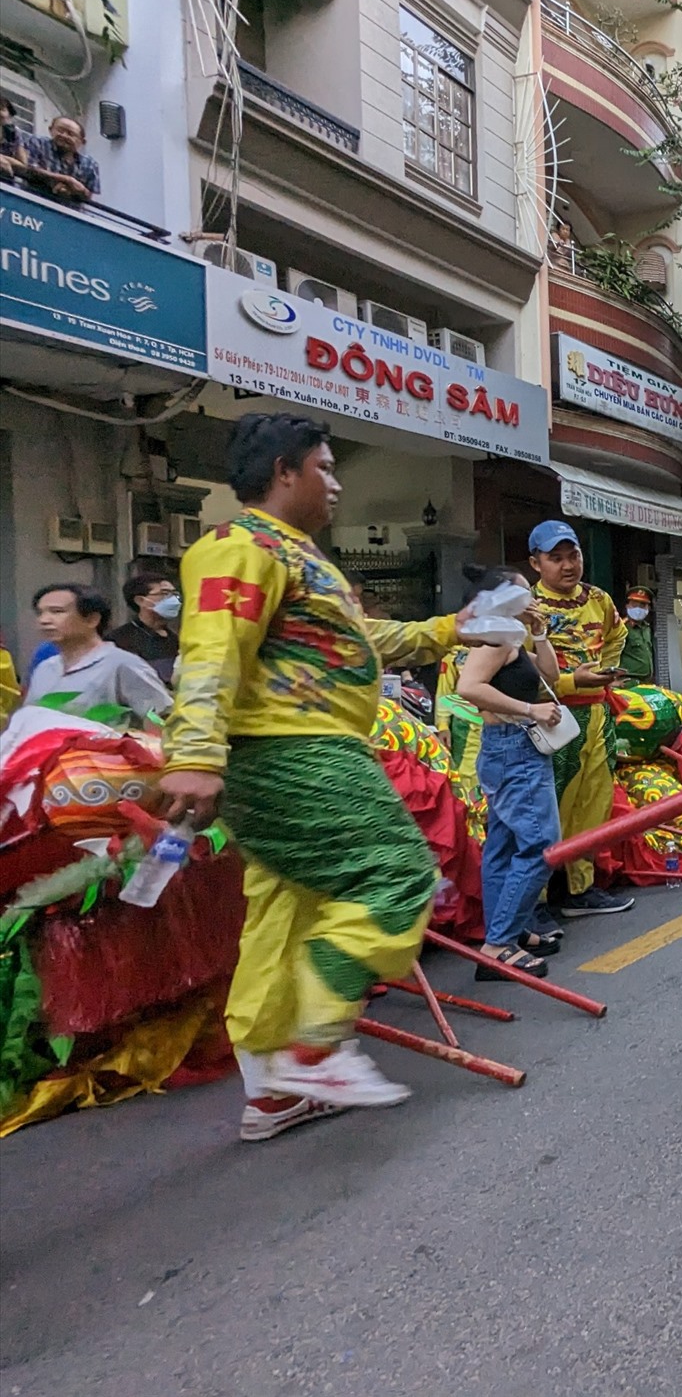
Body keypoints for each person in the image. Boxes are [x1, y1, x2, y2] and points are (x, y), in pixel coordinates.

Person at [156, 413, 481, 1138]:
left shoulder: (302, 559)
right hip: (296, 749)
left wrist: (457, 628)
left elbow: (368, 642)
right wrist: (195, 755)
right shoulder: (238, 547)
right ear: (284, 471)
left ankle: (271, 1090)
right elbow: (212, 652)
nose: (336, 484)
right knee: (398, 876)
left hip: (288, 751)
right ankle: (315, 1047)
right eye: (327, 469)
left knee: (285, 917)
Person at [453, 565, 564, 980]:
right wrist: (530, 709)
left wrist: (539, 632)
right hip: (513, 748)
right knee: (540, 845)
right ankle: (499, 943)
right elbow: (468, 686)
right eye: (523, 593)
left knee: (502, 846)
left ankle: (506, 933)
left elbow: (550, 674)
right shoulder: (495, 638)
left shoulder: (510, 637)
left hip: (511, 749)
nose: (531, 598)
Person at [529, 521, 632, 916]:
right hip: (552, 717)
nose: (568, 565)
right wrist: (574, 679)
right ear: (536, 563)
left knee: (593, 802)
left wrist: (606, 669)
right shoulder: (527, 607)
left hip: (597, 714)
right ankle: (535, 898)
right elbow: (518, 672)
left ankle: (580, 888)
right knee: (549, 806)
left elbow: (618, 634)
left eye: (574, 555)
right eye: (556, 558)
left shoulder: (599, 599)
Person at [24, 582, 174, 724]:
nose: (44, 620)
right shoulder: (45, 668)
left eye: (57, 612)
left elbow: (162, 719)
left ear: (92, 619)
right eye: (40, 613)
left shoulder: (123, 664)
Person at [107, 573, 182, 685]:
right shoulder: (120, 641)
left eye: (175, 594)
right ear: (140, 601)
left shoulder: (177, 638)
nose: (174, 600)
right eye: (165, 594)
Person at [24, 116, 99, 203]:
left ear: (82, 141)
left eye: (70, 134)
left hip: (68, 212)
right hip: (32, 202)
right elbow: (29, 168)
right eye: (60, 130)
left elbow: (88, 195)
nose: (64, 136)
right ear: (50, 130)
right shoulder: (38, 143)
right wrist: (68, 180)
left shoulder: (90, 164)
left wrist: (72, 191)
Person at [618, 585, 654, 683]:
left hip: (645, 681)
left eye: (643, 605)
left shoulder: (646, 628)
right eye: (634, 605)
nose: (638, 609)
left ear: (648, 608)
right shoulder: (621, 627)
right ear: (627, 606)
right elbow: (609, 654)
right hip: (627, 681)